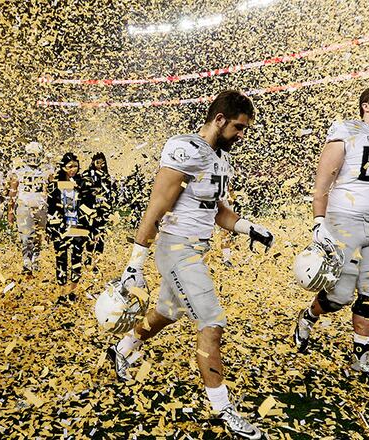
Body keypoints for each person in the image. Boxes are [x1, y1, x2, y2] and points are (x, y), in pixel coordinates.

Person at [107, 90, 273, 439]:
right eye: (239, 128)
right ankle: (223, 409)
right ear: (219, 120)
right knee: (211, 323)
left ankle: (122, 348)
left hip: (196, 249)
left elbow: (217, 212)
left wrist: (248, 227)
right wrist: (135, 263)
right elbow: (157, 207)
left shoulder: (220, 159)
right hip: (176, 248)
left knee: (168, 311)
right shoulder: (184, 149)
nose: (241, 136)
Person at [293, 84, 369, 380]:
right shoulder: (346, 131)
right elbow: (322, 184)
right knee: (340, 295)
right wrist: (319, 222)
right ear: (366, 106)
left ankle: (361, 359)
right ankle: (308, 316)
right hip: (344, 220)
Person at [46, 153, 90, 302]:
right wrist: (50, 227)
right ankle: (62, 292)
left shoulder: (83, 183)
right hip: (60, 226)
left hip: (78, 225)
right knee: (61, 259)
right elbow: (51, 207)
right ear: (63, 167)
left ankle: (73, 291)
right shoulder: (55, 185)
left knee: (77, 258)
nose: (73, 169)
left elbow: (89, 204)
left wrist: (91, 227)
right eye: (70, 166)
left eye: (75, 166)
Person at [6, 142, 54, 277]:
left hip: (41, 207)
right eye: (31, 155)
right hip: (24, 206)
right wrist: (10, 211)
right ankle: (26, 260)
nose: (33, 158)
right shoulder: (18, 171)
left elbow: (54, 188)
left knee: (39, 235)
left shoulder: (47, 170)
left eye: (36, 155)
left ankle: (36, 258)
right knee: (26, 235)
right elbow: (12, 192)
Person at [80, 152, 116, 272]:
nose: (100, 165)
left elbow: (110, 194)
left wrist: (109, 209)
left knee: (101, 236)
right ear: (93, 162)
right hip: (90, 210)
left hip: (103, 211)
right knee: (91, 235)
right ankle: (89, 258)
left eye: (102, 163)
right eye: (98, 162)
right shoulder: (86, 175)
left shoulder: (106, 176)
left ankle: (96, 263)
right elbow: (81, 192)